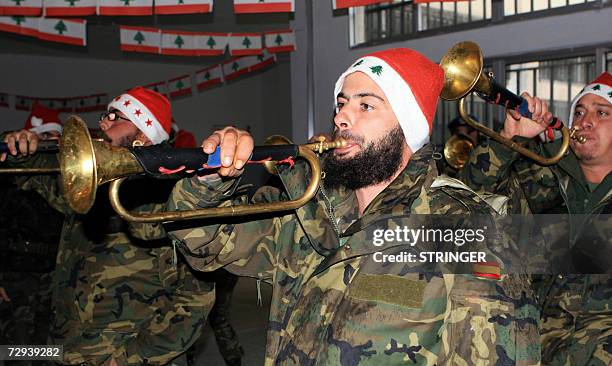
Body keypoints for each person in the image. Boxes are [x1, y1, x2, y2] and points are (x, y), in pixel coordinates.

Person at [164, 48, 540, 364]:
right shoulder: (305, 209)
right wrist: (210, 178)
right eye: (342, 104)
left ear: (407, 126)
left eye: (366, 105)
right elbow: (203, 241)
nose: (341, 117)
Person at [1, 87, 214, 366]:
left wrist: (128, 359)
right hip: (67, 347)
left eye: (117, 117)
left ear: (145, 134)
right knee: (11, 352)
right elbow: (35, 175)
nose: (104, 122)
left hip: (128, 355)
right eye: (106, 115)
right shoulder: (89, 183)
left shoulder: (174, 195)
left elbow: (195, 299)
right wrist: (20, 145)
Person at [461, 71, 612, 365]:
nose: (584, 121)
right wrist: (509, 138)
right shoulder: (538, 177)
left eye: (602, 113)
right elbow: (468, 204)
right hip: (525, 348)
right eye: (579, 111)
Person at [170, 122, 244, 366]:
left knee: (218, 315)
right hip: (202, 254)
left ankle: (232, 358)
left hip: (215, 260)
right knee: (217, 316)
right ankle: (230, 356)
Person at [0, 104, 64, 365]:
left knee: (51, 351)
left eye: (55, 137)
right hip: (16, 275)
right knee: (18, 350)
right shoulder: (9, 175)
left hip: (53, 275)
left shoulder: (63, 176)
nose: (52, 143)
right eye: (46, 137)